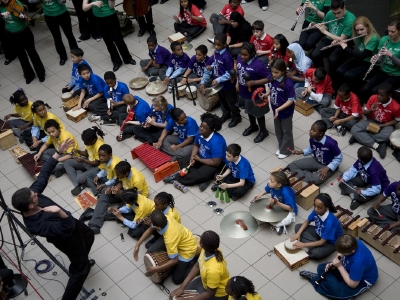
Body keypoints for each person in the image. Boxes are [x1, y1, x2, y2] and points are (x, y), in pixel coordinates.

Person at [11, 139, 95, 300]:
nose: (36, 192)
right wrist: (60, 212)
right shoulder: (36, 225)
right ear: (29, 206)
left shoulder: (31, 197)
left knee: (89, 234)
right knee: (81, 271)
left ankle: (81, 259)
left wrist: (58, 153)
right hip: (67, 238)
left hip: (71, 225)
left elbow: (43, 176)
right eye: (34, 195)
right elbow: (67, 228)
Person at [299, 234, 378, 300]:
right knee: (321, 267)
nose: (340, 253)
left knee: (341, 294)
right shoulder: (352, 241)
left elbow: (352, 284)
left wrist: (339, 266)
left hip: (360, 281)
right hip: (349, 269)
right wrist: (334, 263)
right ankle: (324, 280)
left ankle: (315, 280)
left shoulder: (358, 262)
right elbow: (341, 254)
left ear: (352, 251)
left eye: (343, 252)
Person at [164, 113, 227, 192]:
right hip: (201, 157)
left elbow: (216, 162)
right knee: (183, 161)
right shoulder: (199, 133)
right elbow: (196, 145)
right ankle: (204, 178)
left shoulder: (216, 142)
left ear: (211, 130)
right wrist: (193, 156)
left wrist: (199, 160)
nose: (201, 129)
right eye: (201, 126)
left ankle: (176, 177)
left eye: (205, 128)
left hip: (214, 163)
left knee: (197, 175)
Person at [133, 210, 198, 284]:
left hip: (188, 250)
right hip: (179, 238)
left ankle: (195, 262)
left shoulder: (169, 239)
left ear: (157, 225)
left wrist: (157, 268)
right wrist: (138, 244)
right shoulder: (166, 217)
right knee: (150, 251)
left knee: (177, 280)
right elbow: (151, 228)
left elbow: (175, 260)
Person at [170, 230, 230, 300]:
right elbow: (197, 266)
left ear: (201, 244)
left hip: (216, 294)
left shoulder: (213, 270)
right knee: (172, 296)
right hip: (204, 282)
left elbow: (209, 294)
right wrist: (182, 287)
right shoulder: (208, 250)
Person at [200, 33, 241, 128]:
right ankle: (226, 113)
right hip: (219, 84)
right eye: (215, 44)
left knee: (231, 101)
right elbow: (217, 64)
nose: (216, 46)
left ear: (224, 44)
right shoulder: (216, 53)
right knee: (222, 100)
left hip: (228, 85)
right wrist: (211, 67)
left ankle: (236, 116)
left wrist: (218, 79)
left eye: (218, 45)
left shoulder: (227, 57)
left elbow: (230, 73)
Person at [349, 83, 400, 159]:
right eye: (378, 94)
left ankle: (359, 137)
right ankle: (377, 146)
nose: (379, 97)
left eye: (382, 95)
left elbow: (396, 120)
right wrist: (370, 110)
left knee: (387, 136)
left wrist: (383, 125)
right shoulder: (373, 98)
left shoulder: (396, 106)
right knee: (354, 128)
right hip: (372, 121)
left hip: (386, 124)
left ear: (389, 96)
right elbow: (365, 113)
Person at [82, 0, 136, 72]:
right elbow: (84, 8)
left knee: (119, 39)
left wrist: (112, 1)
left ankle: (127, 58)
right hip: (98, 18)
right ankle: (116, 62)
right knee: (108, 41)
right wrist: (93, 4)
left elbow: (111, 6)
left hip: (111, 16)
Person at [0, 0, 45, 84]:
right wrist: (1, 14)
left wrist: (23, 17)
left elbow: (26, 17)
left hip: (24, 32)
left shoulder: (16, 3)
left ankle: (41, 73)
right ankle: (29, 75)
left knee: (32, 53)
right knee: (21, 55)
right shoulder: (1, 6)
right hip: (11, 34)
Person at [359, 17, 400, 104]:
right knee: (366, 88)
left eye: (393, 32)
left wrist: (391, 55)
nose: (390, 34)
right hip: (384, 71)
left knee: (375, 91)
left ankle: (374, 110)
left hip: (396, 75)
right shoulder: (384, 39)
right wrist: (375, 59)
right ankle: (365, 108)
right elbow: (380, 60)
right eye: (388, 31)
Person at [289, 120, 343, 185]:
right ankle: (307, 176)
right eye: (311, 129)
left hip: (328, 166)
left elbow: (339, 158)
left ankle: (305, 175)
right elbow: (312, 148)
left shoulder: (331, 143)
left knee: (314, 182)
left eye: (314, 131)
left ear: (320, 133)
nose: (310, 132)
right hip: (316, 160)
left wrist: (326, 169)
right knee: (292, 165)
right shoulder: (312, 139)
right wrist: (300, 152)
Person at [334, 16, 380, 93]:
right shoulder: (358, 36)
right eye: (357, 30)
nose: (359, 32)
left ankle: (355, 96)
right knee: (339, 70)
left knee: (350, 75)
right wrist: (339, 42)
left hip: (371, 63)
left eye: (362, 29)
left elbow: (362, 56)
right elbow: (349, 43)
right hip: (361, 61)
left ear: (367, 27)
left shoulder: (373, 38)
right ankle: (338, 92)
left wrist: (345, 48)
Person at [291, 193, 343, 259]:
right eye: (315, 206)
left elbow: (322, 242)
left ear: (326, 208)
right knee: (298, 227)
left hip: (330, 242)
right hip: (319, 234)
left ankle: (313, 245)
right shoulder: (317, 211)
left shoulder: (330, 222)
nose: (315, 209)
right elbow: (307, 221)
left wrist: (303, 245)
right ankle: (314, 244)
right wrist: (298, 234)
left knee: (316, 253)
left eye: (319, 207)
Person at [310, 0, 356, 75]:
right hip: (330, 38)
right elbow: (325, 26)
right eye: (334, 13)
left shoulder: (350, 20)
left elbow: (341, 39)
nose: (336, 16)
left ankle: (333, 77)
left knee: (333, 59)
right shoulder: (330, 13)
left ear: (344, 7)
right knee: (315, 55)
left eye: (339, 13)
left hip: (342, 43)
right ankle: (322, 74)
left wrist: (325, 32)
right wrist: (316, 26)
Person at [236, 42, 270, 143]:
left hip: (256, 94)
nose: (242, 56)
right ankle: (253, 126)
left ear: (251, 54)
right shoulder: (239, 58)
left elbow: (269, 78)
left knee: (258, 114)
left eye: (245, 55)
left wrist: (254, 82)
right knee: (249, 110)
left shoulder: (258, 65)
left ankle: (263, 131)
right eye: (241, 54)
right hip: (244, 92)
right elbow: (238, 69)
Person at [262, 58, 295, 159]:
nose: (273, 74)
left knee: (287, 131)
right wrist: (266, 94)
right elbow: (270, 88)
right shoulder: (272, 78)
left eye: (276, 72)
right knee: (278, 130)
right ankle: (282, 147)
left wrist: (279, 109)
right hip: (275, 110)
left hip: (285, 112)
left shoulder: (288, 84)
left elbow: (291, 100)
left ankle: (287, 150)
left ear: (283, 71)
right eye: (272, 71)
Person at [86, 144, 122, 233]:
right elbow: (106, 170)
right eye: (99, 155)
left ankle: (95, 224)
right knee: (90, 176)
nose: (101, 158)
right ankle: (99, 193)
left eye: (103, 156)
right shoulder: (107, 160)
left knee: (105, 193)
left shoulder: (115, 165)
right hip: (110, 178)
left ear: (110, 155)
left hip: (117, 182)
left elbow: (116, 179)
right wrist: (98, 176)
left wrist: (104, 184)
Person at [340, 146, 390, 210]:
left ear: (360, 158)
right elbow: (353, 170)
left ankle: (355, 196)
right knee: (342, 177)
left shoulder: (374, 171)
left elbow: (376, 189)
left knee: (359, 196)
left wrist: (362, 192)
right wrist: (344, 179)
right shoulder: (361, 160)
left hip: (377, 185)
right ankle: (354, 195)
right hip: (365, 178)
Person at [253, 171, 298, 235]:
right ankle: (272, 221)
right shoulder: (270, 185)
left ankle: (277, 225)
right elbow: (267, 190)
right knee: (262, 206)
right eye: (270, 179)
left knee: (288, 220)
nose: (269, 182)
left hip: (288, 209)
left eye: (272, 181)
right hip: (276, 204)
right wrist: (260, 194)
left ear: (279, 185)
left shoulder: (286, 192)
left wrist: (278, 204)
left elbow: (291, 208)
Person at [64, 126, 105, 196]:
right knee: (66, 163)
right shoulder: (89, 141)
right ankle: (77, 185)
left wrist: (83, 161)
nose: (85, 143)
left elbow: (96, 163)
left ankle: (80, 180)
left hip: (98, 167)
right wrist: (78, 151)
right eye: (84, 141)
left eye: (86, 142)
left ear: (94, 140)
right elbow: (86, 153)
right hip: (89, 161)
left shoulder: (100, 147)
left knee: (80, 179)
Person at [41, 0, 78, 66]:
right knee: (57, 37)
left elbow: (61, 2)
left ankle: (76, 53)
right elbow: (31, 1)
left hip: (62, 14)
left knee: (69, 35)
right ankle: (63, 57)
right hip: (49, 17)